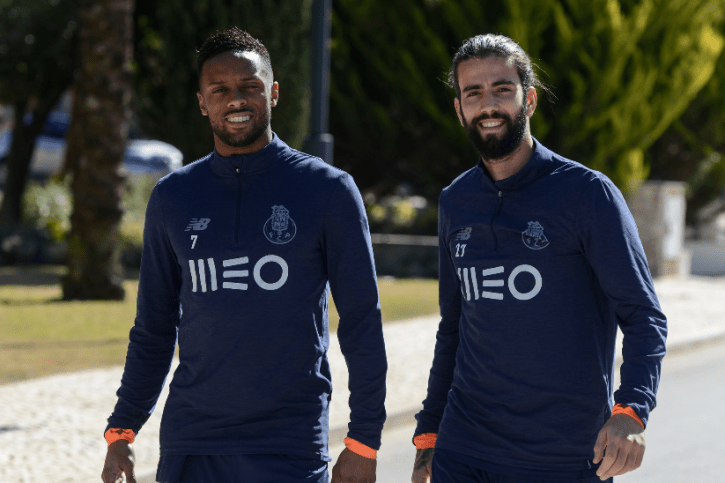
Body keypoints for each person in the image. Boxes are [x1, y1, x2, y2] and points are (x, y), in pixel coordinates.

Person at [101, 27, 386, 483]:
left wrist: (364, 439)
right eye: (220, 90)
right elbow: (153, 327)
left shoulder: (328, 190)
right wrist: (123, 428)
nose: (236, 100)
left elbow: (362, 323)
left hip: (288, 445)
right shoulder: (173, 197)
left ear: (273, 93)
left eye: (250, 86)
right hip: (191, 444)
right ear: (202, 102)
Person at [410, 34, 667, 483]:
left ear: (528, 100)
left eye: (502, 89)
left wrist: (631, 411)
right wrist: (430, 432)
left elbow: (643, 314)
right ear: (459, 109)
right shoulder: (455, 200)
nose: (488, 105)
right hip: (463, 452)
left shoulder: (587, 193)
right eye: (473, 93)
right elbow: (454, 327)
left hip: (564, 458)